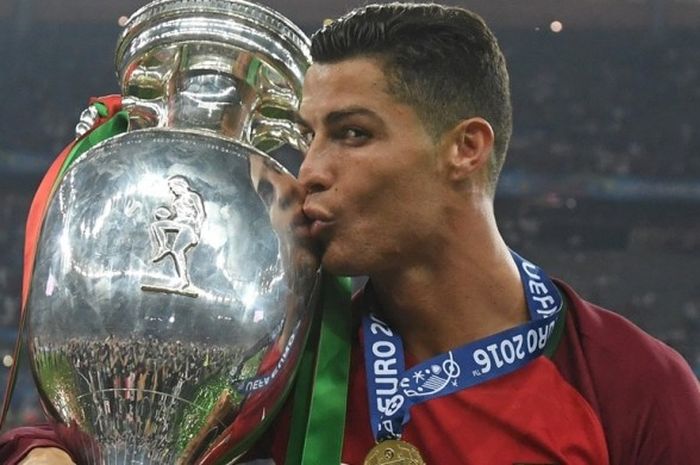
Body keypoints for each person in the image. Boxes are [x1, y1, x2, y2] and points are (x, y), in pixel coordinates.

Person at [3, 3, 700, 465]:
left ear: (465, 148)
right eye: (309, 137)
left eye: (353, 135)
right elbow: (99, 430)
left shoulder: (628, 384)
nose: (309, 172)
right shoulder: (276, 357)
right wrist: (40, 450)